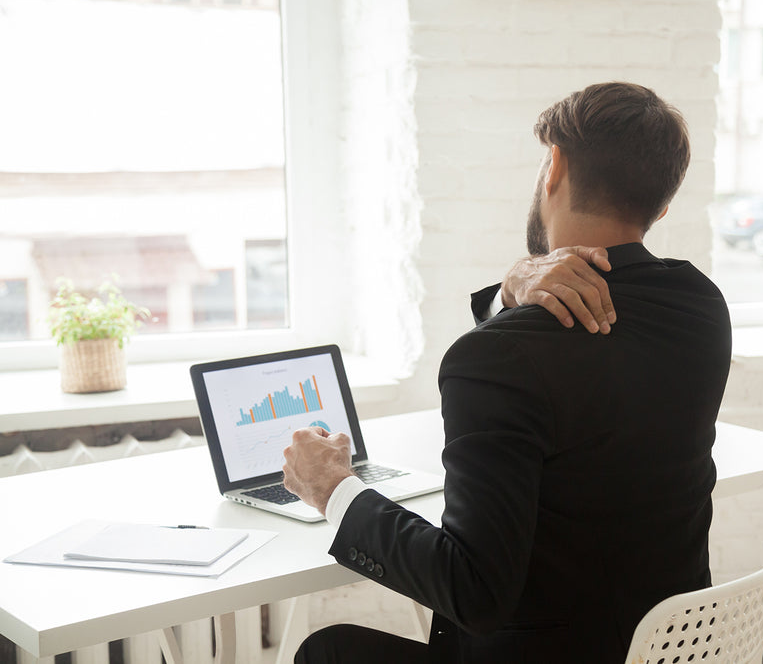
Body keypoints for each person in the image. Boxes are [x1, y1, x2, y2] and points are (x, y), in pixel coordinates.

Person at [282, 82, 732, 664]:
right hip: (669, 649)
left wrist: (334, 490)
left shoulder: (495, 359)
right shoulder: (701, 306)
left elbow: (475, 591)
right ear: (662, 204)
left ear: (556, 167)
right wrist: (507, 293)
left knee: (329, 652)